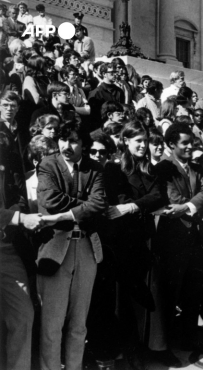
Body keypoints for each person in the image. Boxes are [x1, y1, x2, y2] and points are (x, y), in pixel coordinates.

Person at [103, 121, 180, 367]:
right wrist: (138, 205)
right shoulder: (115, 169)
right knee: (126, 301)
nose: (144, 146)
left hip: (148, 239)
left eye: (145, 141)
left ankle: (156, 347)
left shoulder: (150, 169)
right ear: (126, 141)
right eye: (138, 141)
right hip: (125, 243)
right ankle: (130, 352)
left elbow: (158, 195)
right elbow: (120, 202)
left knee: (154, 294)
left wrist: (136, 205)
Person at [36, 121, 108, 370]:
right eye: (63, 140)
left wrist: (70, 213)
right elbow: (49, 199)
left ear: (84, 145)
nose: (67, 145)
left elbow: (99, 204)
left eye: (74, 140)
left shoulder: (95, 168)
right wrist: (83, 206)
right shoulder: (48, 164)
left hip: (87, 249)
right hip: (56, 248)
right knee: (52, 324)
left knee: (79, 323)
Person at [155, 123, 203, 353]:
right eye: (184, 143)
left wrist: (187, 206)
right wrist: (192, 204)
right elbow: (172, 198)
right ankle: (167, 346)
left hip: (195, 239)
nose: (190, 147)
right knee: (171, 296)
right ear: (171, 145)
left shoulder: (197, 168)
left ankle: (189, 341)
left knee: (193, 293)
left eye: (191, 142)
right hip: (173, 241)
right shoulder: (162, 168)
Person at [0, 127, 44, 370]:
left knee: (23, 315)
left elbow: (17, 197)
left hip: (7, 248)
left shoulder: (6, 167)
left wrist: (17, 212)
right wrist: (19, 218)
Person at [88, 63, 125, 131]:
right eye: (112, 72)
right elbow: (94, 117)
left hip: (118, 127)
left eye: (115, 72)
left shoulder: (120, 91)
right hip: (103, 128)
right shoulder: (96, 93)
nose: (115, 74)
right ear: (104, 74)